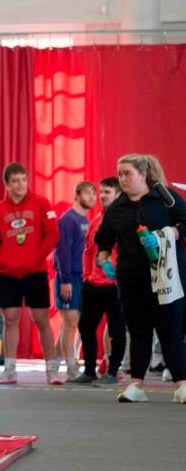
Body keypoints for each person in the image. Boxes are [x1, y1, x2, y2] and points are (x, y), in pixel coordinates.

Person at [96, 154, 186, 404]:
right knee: (138, 331)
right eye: (120, 174)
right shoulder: (117, 207)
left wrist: (169, 235)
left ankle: (182, 384)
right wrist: (104, 260)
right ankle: (137, 384)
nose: (122, 179)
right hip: (131, 279)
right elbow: (104, 238)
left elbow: (185, 221)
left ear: (143, 174)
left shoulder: (165, 198)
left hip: (166, 277)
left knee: (171, 330)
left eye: (127, 173)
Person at [0, 163, 59, 384]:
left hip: (35, 272)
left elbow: (53, 234)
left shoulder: (41, 203)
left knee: (42, 320)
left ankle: (51, 370)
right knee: (10, 320)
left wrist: (37, 257)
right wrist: (4, 260)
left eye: (24, 179)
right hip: (8, 274)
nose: (21, 184)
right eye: (16, 181)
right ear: (7, 185)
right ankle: (9, 370)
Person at [71, 177, 126, 384]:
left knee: (117, 330)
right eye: (101, 192)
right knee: (85, 326)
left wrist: (119, 276)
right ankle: (89, 371)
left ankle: (112, 372)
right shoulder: (95, 221)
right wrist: (86, 277)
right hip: (92, 284)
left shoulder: (123, 221)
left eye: (107, 192)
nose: (102, 196)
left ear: (118, 195)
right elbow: (87, 252)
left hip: (114, 286)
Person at [54, 181, 96, 382]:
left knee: (73, 323)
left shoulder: (89, 220)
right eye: (88, 193)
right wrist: (65, 280)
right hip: (69, 278)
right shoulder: (68, 220)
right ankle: (71, 367)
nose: (92, 198)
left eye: (94, 194)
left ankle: (54, 360)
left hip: (83, 277)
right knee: (70, 322)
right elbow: (62, 251)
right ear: (77, 195)